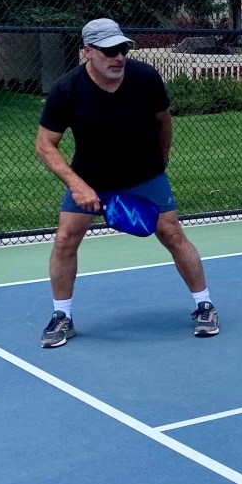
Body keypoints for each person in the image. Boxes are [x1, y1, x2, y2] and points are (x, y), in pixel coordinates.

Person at [34, 18, 219, 348]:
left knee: (172, 234)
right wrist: (77, 185)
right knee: (65, 239)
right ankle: (62, 316)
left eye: (122, 49)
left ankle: (205, 306)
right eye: (109, 51)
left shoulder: (145, 78)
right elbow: (45, 145)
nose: (118, 57)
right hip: (90, 178)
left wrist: (161, 159)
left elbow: (163, 120)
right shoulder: (67, 90)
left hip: (145, 174)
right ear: (88, 51)